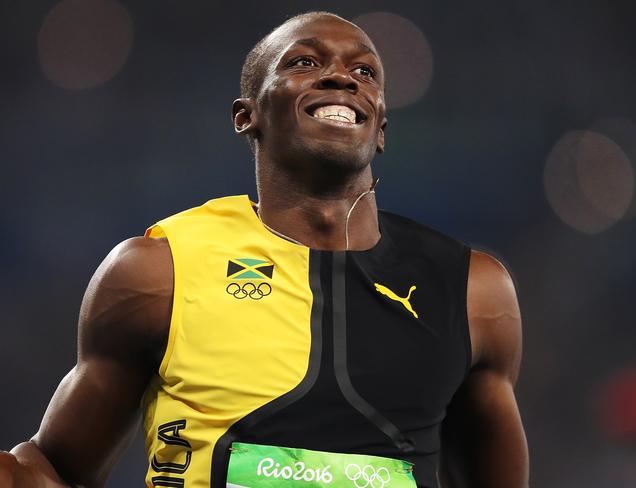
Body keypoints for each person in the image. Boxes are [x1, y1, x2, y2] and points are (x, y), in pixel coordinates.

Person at [0, 11, 528, 488]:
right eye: (304, 61)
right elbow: (51, 470)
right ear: (246, 115)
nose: (341, 76)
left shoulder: (471, 291)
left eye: (365, 72)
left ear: (381, 128)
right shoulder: (159, 272)